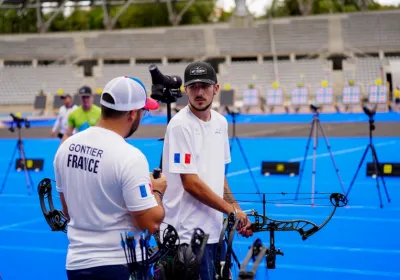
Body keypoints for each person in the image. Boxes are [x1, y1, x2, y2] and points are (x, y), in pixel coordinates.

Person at [54, 76, 166, 280]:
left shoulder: (66, 147)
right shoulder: (130, 156)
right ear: (132, 113)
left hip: (77, 264)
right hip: (120, 266)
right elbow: (150, 223)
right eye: (143, 111)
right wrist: (157, 189)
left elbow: (68, 211)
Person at [161, 61, 253, 280]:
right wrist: (231, 212)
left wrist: (238, 211)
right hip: (186, 236)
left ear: (216, 88)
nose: (199, 92)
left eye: (205, 85)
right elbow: (190, 183)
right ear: (185, 91)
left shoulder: (220, 123)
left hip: (213, 231)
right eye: (193, 86)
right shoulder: (180, 125)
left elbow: (218, 176)